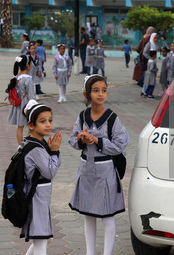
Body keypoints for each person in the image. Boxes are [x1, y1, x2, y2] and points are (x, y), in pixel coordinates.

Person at [68, 74, 129, 255]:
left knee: (107, 216)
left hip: (105, 172)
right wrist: (81, 140)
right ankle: (90, 252)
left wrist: (97, 140)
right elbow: (72, 139)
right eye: (95, 91)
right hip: (86, 170)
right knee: (88, 214)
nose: (100, 94)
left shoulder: (112, 118)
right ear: (87, 94)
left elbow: (119, 145)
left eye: (104, 90)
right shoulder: (82, 116)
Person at [20, 99, 62, 254]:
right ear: (31, 125)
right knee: (41, 241)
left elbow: (52, 166)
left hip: (40, 198)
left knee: (45, 238)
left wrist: (52, 151)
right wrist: (55, 151)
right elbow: (50, 172)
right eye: (42, 121)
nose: (48, 125)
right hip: (35, 198)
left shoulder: (39, 143)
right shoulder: (35, 148)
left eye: (50, 120)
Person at [6, 55, 35, 145]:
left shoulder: (16, 77)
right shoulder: (28, 79)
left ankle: (20, 145)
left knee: (20, 126)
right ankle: (27, 143)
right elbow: (31, 95)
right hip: (27, 105)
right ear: (28, 65)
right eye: (30, 63)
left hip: (18, 104)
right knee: (31, 125)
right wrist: (35, 105)